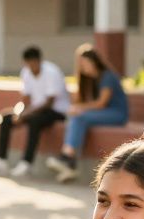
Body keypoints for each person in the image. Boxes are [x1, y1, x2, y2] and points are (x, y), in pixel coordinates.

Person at [0, 46, 69, 178]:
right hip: (34, 110)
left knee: (34, 121)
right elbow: (26, 99)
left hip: (56, 111)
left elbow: (49, 102)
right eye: (28, 63)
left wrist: (26, 114)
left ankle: (26, 163)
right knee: (6, 118)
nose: (31, 66)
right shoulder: (26, 72)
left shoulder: (52, 72)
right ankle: (1, 160)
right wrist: (19, 113)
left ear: (39, 61)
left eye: (33, 63)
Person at [44, 49, 130, 183]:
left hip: (117, 114)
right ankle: (70, 164)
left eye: (85, 63)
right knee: (76, 117)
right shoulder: (90, 80)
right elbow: (81, 101)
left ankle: (67, 158)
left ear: (94, 62)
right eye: (80, 65)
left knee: (79, 116)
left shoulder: (107, 76)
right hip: (103, 114)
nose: (82, 67)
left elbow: (101, 103)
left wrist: (79, 108)